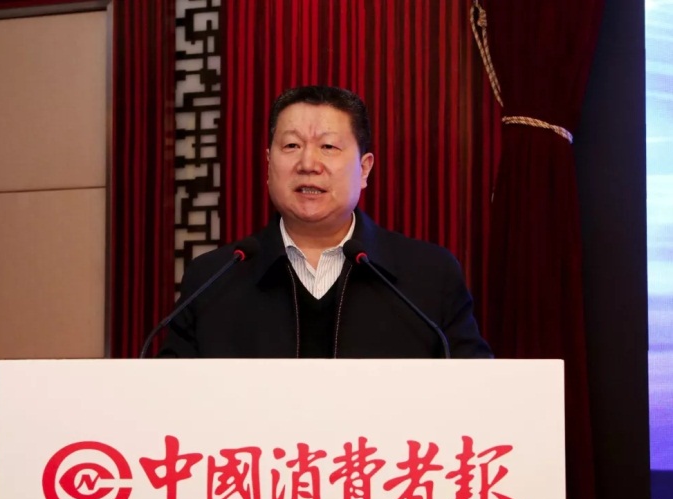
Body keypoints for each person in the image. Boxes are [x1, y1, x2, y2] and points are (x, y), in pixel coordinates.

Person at [159, 85, 492, 359]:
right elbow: (166, 398)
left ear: (364, 169)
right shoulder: (212, 280)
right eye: (291, 145)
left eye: (328, 146)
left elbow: (478, 393)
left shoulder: (430, 276)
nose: (308, 163)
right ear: (269, 163)